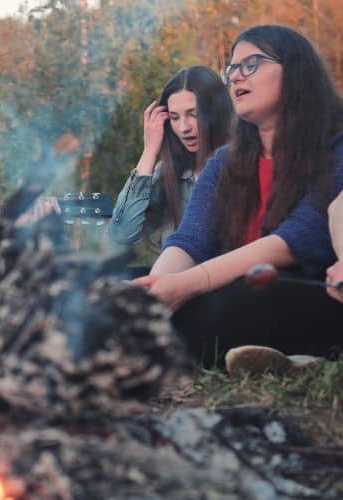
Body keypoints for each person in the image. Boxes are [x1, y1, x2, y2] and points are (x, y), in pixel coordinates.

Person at [132, 25, 343, 367]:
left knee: (241, 297)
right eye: (232, 69)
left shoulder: (335, 148)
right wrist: (155, 289)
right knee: (123, 282)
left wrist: (185, 286)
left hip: (304, 293)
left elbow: (297, 238)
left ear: (296, 71)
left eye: (252, 63)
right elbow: (190, 240)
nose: (236, 77)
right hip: (232, 292)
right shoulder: (223, 163)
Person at [110, 66, 233, 271]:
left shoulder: (243, 162)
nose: (184, 127)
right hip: (173, 291)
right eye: (175, 118)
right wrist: (149, 151)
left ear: (216, 112)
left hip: (229, 293)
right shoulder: (170, 173)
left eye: (193, 114)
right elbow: (122, 233)